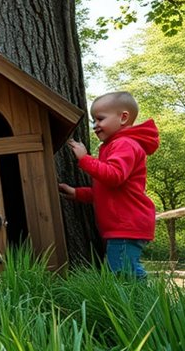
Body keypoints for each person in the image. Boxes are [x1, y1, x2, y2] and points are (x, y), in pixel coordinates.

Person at [58, 91, 159, 279]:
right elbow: (107, 190)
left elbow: (114, 176)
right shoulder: (114, 145)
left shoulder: (125, 144)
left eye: (100, 119)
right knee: (123, 269)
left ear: (123, 118)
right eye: (93, 121)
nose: (95, 126)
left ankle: (141, 304)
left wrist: (85, 159)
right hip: (123, 224)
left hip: (127, 223)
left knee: (123, 273)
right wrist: (78, 193)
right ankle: (140, 302)